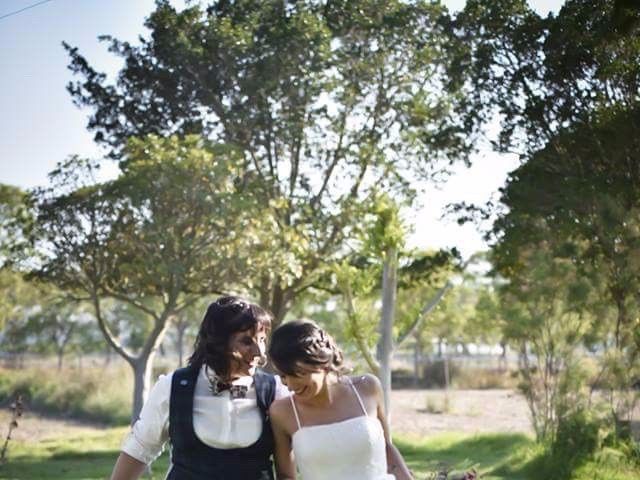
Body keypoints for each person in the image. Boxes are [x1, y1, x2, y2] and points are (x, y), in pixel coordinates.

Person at [110, 296, 289, 480]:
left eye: (261, 340)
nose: (259, 352)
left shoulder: (275, 391)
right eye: (246, 341)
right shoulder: (172, 387)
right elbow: (140, 448)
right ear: (218, 342)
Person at [268, 320, 414, 480]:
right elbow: (285, 476)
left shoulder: (368, 387)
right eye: (283, 376)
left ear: (320, 360)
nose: (289, 384)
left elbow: (387, 450)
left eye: (295, 373)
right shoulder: (282, 412)